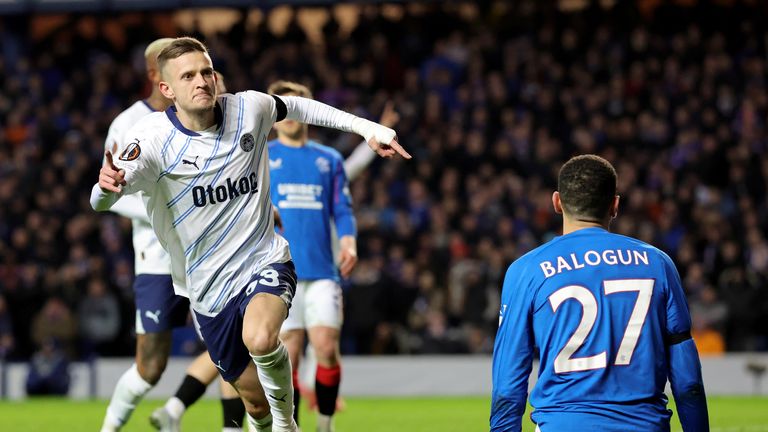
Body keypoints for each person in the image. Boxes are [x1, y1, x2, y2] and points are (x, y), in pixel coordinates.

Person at [91, 36, 409, 432]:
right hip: (205, 285)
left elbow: (299, 106)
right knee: (252, 402)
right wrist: (106, 188)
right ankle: (266, 421)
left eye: (206, 71)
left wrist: (367, 128)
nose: (203, 81)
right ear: (166, 88)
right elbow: (100, 201)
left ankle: (286, 424)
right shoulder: (150, 138)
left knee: (261, 339)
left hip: (265, 258)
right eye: (188, 75)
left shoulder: (248, 108)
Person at [152, 83, 400, 430]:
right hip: (270, 270)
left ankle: (323, 425)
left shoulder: (327, 160)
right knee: (286, 353)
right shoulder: (258, 152)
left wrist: (349, 241)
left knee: (327, 347)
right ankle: (284, 424)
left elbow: (343, 206)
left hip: (323, 270)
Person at [490, 155, 709, 432]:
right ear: (615, 205)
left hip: (563, 424)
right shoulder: (658, 264)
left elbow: (508, 386)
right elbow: (688, 381)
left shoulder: (526, 270)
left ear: (557, 202)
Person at [97, 38, 245, 432]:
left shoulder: (213, 115)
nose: (193, 77)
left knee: (229, 348)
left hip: (210, 257)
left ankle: (231, 427)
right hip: (157, 258)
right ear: (156, 76)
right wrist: (168, 211)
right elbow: (113, 195)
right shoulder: (130, 125)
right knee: (150, 367)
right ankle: (110, 428)